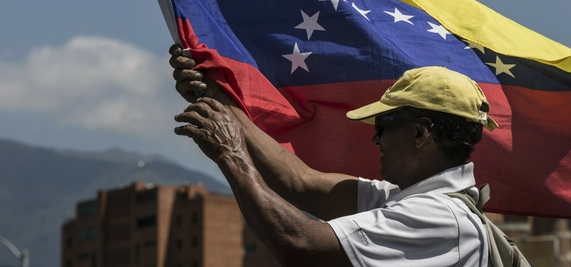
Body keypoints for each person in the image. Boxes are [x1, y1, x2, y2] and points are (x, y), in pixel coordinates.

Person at [170, 45, 503, 267]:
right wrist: (219, 100)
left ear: (420, 133)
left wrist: (231, 154)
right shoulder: (405, 200)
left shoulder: (440, 217)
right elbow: (299, 182)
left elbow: (298, 244)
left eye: (385, 124)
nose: (376, 137)